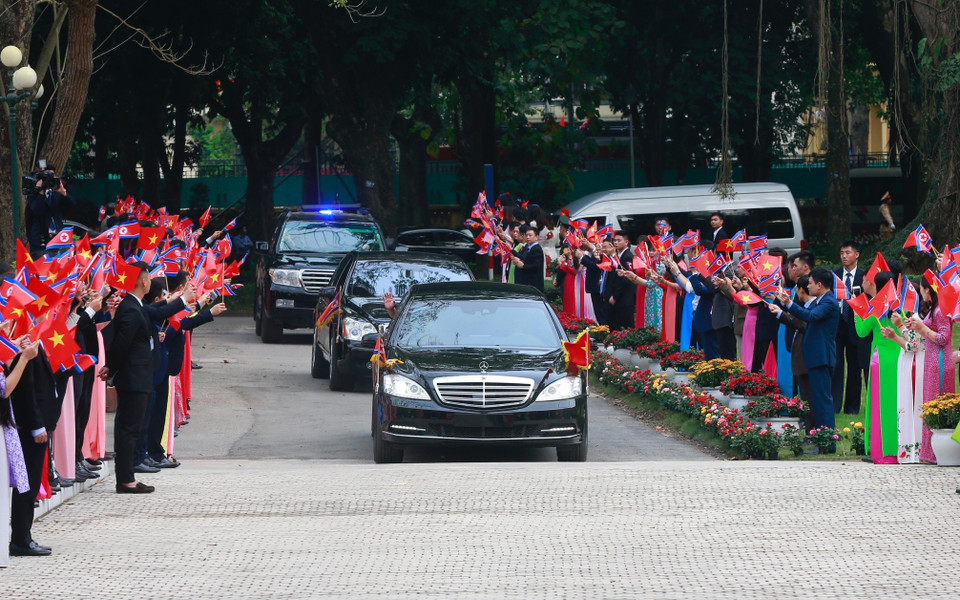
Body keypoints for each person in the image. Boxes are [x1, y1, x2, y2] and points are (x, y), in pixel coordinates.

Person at [98, 262, 191, 493]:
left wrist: (185, 299)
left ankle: (127, 477)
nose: (150, 280)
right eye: (148, 277)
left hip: (139, 376)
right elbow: (122, 343)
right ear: (143, 281)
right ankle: (126, 479)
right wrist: (111, 368)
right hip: (133, 377)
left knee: (133, 427)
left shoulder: (135, 304)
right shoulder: (130, 307)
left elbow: (159, 313)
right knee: (129, 429)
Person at [776, 267, 840, 438]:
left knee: (823, 401)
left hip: (822, 358)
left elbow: (810, 317)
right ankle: (820, 438)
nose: (808, 286)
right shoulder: (820, 301)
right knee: (817, 401)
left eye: (810, 283)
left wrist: (789, 304)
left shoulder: (828, 302)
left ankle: (826, 440)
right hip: (815, 358)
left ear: (819, 285)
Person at [904, 277, 955, 463]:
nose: (921, 294)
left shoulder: (941, 310)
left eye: (923, 290)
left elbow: (943, 338)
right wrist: (915, 327)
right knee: (930, 405)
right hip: (932, 362)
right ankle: (930, 453)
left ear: (929, 290)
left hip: (939, 363)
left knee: (936, 404)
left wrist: (923, 328)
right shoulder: (935, 309)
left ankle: (937, 453)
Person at [856, 269, 901, 464]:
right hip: (899, 357)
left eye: (867, 280)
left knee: (879, 405)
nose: (864, 282)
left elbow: (861, 332)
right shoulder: (900, 305)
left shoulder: (874, 307)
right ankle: (900, 448)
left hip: (880, 360)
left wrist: (857, 311)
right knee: (898, 404)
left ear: (875, 284)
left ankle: (883, 451)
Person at [768, 274, 812, 429]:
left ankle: (812, 427)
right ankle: (804, 420)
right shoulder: (806, 306)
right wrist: (780, 312)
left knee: (809, 395)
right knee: (803, 391)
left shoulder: (815, 306)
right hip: (798, 353)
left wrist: (785, 305)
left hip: (810, 356)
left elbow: (802, 323)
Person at [832, 241, 867, 414]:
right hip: (837, 326)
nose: (844, 256)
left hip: (855, 326)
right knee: (836, 366)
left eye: (847, 252)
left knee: (855, 367)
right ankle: (835, 404)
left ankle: (852, 407)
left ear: (856, 255)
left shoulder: (864, 277)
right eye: (841, 253)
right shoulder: (834, 276)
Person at [608, 231, 637, 330]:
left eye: (619, 240)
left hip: (625, 297)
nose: (616, 243)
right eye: (614, 240)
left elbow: (626, 279)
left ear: (626, 242)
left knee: (626, 324)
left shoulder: (627, 256)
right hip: (620, 296)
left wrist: (615, 296)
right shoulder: (618, 255)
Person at [511, 225, 545, 292]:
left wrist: (523, 266)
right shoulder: (530, 248)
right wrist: (518, 261)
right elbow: (526, 260)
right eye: (526, 235)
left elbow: (536, 266)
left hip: (534, 283)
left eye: (530, 235)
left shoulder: (536, 249)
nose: (528, 237)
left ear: (536, 237)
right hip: (527, 282)